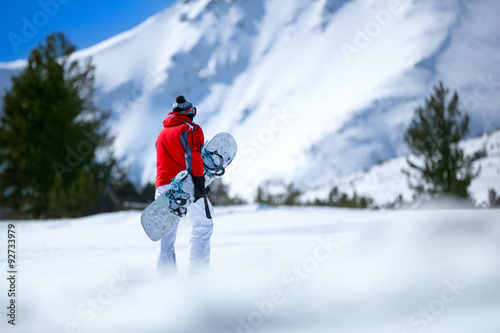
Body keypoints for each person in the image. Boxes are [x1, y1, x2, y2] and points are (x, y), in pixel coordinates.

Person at [155, 95, 213, 276]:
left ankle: (165, 280)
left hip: (162, 186)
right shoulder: (191, 129)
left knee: (166, 236)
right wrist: (199, 183)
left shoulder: (162, 133)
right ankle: (198, 275)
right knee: (203, 225)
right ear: (189, 112)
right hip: (185, 185)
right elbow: (194, 156)